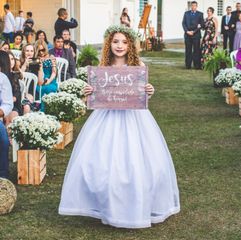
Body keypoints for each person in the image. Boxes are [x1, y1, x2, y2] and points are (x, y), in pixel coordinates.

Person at [58, 25, 180, 229]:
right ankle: (105, 205)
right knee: (100, 162)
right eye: (115, 41)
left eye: (124, 42)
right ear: (109, 44)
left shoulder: (137, 64)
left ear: (130, 44)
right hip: (107, 117)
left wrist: (149, 90)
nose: (120, 45)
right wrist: (90, 90)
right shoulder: (103, 64)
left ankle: (135, 203)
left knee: (138, 162)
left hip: (134, 119)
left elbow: (141, 94)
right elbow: (98, 91)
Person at [182, 1, 204, 69]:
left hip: (196, 35)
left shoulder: (200, 14)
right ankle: (188, 65)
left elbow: (201, 25)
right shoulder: (186, 13)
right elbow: (183, 23)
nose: (193, 7)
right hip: (187, 35)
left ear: (196, 6)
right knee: (188, 50)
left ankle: (196, 65)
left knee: (196, 51)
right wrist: (187, 31)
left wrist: (194, 31)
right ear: (191, 6)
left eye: (195, 6)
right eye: (192, 5)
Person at [34, 40, 57, 104]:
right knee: (39, 89)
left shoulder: (51, 57)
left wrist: (49, 80)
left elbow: (54, 72)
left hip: (50, 79)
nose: (41, 52)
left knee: (50, 88)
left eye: (43, 50)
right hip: (39, 80)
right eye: (39, 51)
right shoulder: (35, 59)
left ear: (45, 49)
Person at [0, 65, 13, 179]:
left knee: (3, 139)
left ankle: (3, 177)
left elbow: (7, 103)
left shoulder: (2, 78)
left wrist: (1, 111)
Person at [4, 51, 23, 125]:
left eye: (12, 59)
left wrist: (11, 99)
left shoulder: (14, 75)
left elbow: (17, 92)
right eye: (8, 59)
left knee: (12, 116)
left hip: (12, 104)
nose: (11, 62)